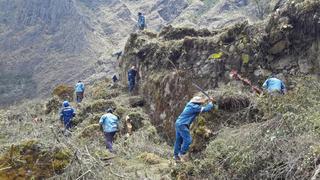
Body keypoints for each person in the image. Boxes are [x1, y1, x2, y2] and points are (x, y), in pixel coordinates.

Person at [174, 96, 216, 162]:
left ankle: (176, 156)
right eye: (199, 103)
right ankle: (181, 154)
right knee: (188, 140)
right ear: (197, 103)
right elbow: (206, 109)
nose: (200, 104)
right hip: (183, 124)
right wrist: (211, 103)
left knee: (178, 140)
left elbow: (202, 102)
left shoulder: (190, 105)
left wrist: (207, 99)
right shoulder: (194, 107)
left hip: (178, 123)